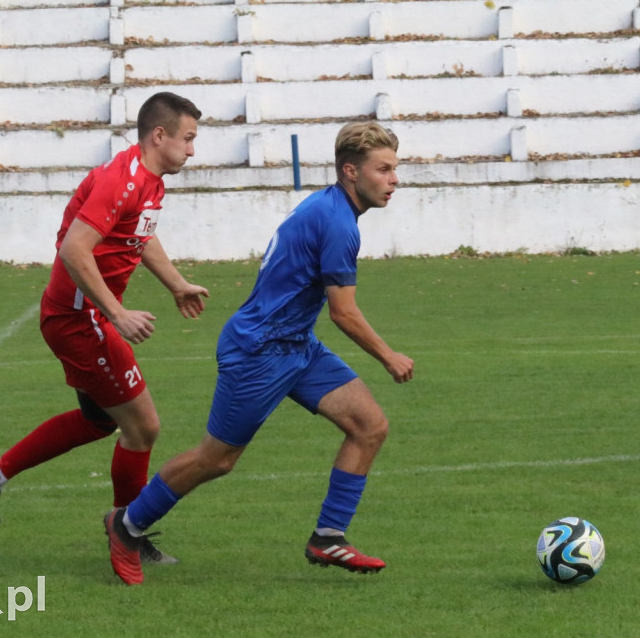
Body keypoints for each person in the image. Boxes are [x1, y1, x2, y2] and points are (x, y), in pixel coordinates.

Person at [103, 121, 414, 585]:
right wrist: (389, 355)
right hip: (260, 351)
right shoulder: (337, 223)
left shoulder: (333, 210)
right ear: (351, 171)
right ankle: (126, 526)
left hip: (295, 345)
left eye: (394, 169)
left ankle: (328, 537)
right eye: (384, 169)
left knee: (369, 427)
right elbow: (343, 313)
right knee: (217, 459)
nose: (393, 180)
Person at [0, 92, 210, 565]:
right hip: (79, 319)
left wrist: (175, 283)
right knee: (143, 427)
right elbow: (76, 249)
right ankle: (127, 531)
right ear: (160, 135)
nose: (192, 151)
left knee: (100, 420)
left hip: (82, 315)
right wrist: (116, 313)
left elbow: (139, 232)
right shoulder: (123, 178)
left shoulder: (149, 179)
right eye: (188, 139)